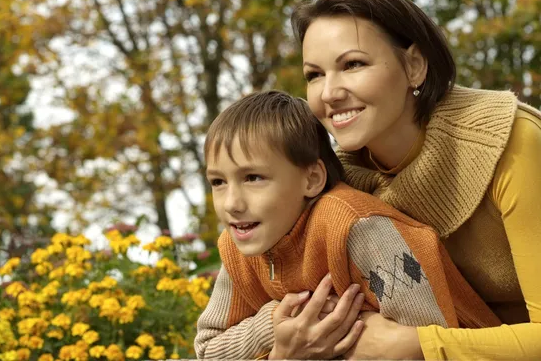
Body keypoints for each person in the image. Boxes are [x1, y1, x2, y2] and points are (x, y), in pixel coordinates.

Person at [197, 0, 541, 360]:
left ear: (414, 65)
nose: (329, 92)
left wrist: (416, 345)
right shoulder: (335, 183)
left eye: (353, 64)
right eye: (314, 74)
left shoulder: (511, 142)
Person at [194, 90, 500, 360]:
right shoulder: (240, 243)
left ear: (311, 179)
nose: (232, 203)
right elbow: (207, 350)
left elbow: (422, 343)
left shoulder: (359, 229)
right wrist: (274, 324)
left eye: (253, 178)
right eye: (218, 182)